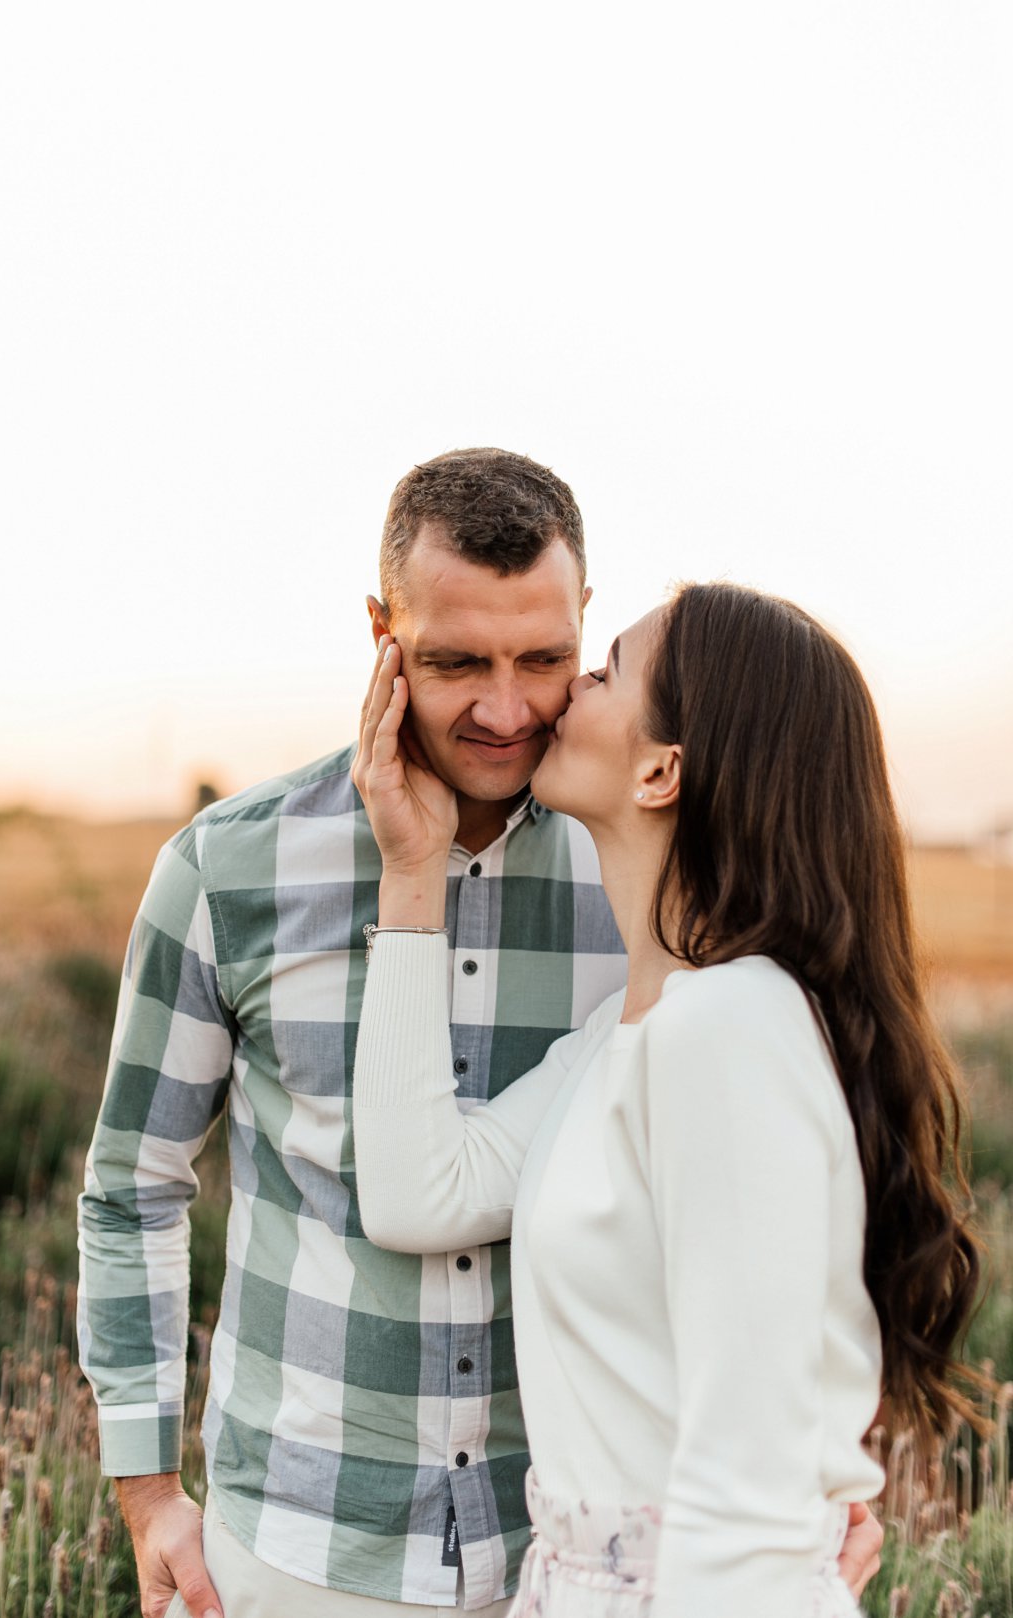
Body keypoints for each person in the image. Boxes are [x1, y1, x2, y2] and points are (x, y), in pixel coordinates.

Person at [77, 450, 882, 1618]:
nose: (507, 710)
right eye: (457, 662)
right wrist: (149, 1492)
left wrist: (796, 1504)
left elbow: (771, 1222)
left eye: (552, 662)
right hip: (302, 1550)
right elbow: (134, 1184)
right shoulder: (227, 867)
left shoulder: (664, 921)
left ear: (585, 626)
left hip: (564, 1552)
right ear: (381, 630)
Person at [351, 582, 981, 1618]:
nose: (556, 700)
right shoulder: (630, 1035)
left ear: (660, 771)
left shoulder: (725, 1030)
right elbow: (420, 1193)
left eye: (602, 673)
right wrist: (413, 869)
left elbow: (744, 1491)